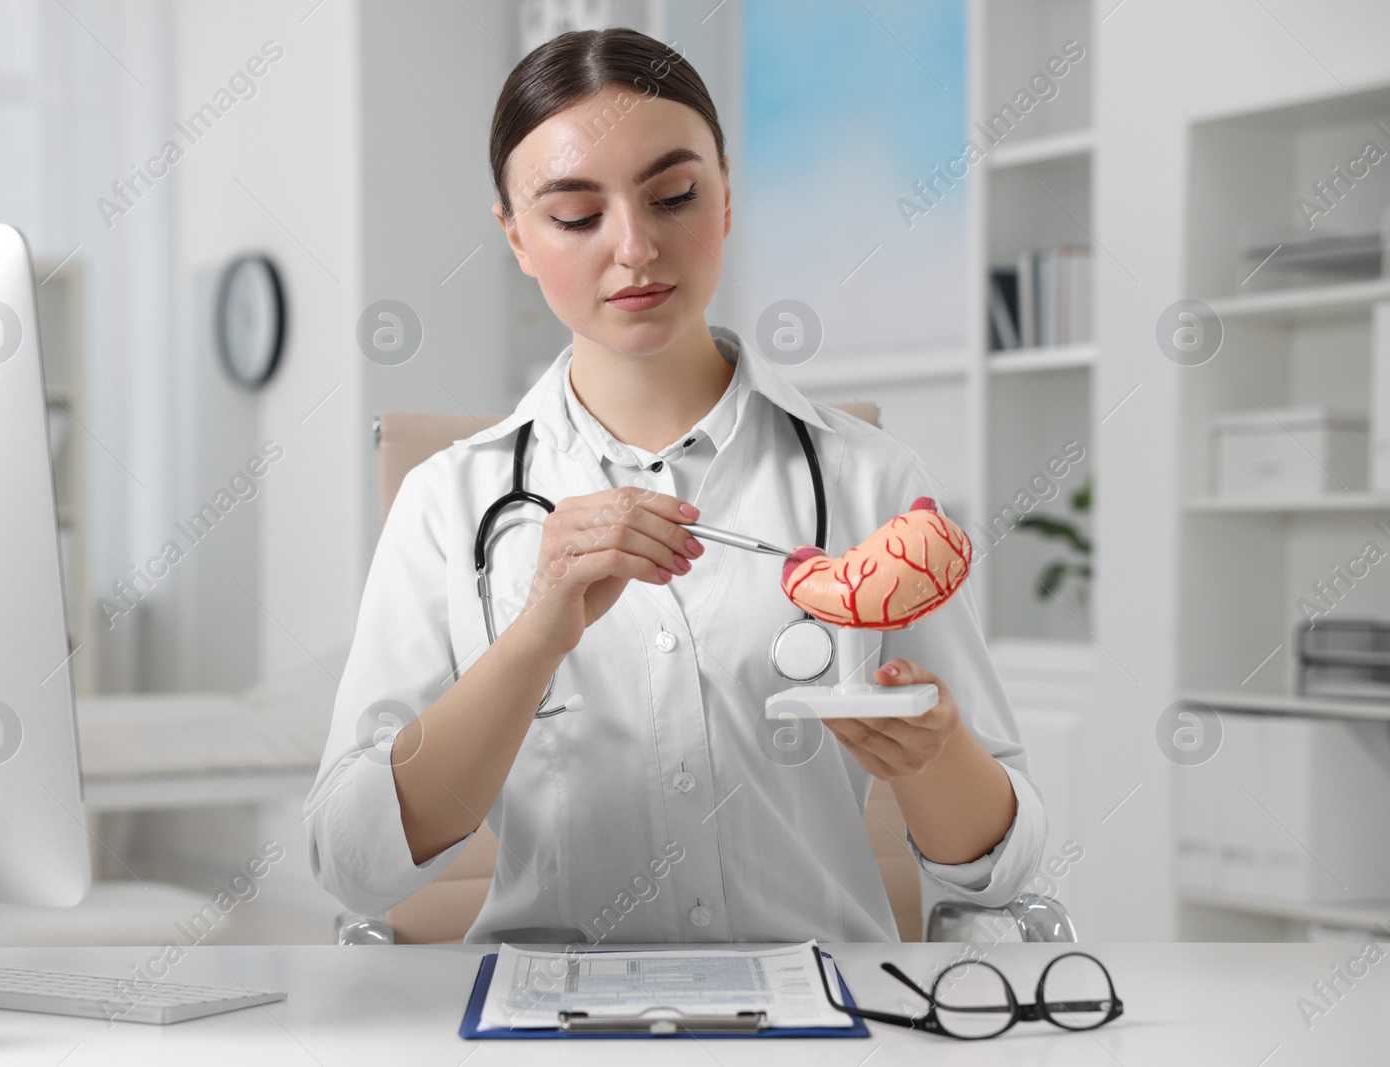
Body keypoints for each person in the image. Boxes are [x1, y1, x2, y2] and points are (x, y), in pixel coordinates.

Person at [305, 26, 1046, 943]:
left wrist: (933, 755)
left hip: (818, 1022)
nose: (635, 247)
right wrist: (535, 637)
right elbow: (353, 866)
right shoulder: (446, 503)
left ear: (726, 195)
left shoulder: (871, 480)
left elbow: (1001, 867)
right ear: (516, 237)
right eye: (576, 217)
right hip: (551, 1026)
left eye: (674, 196)